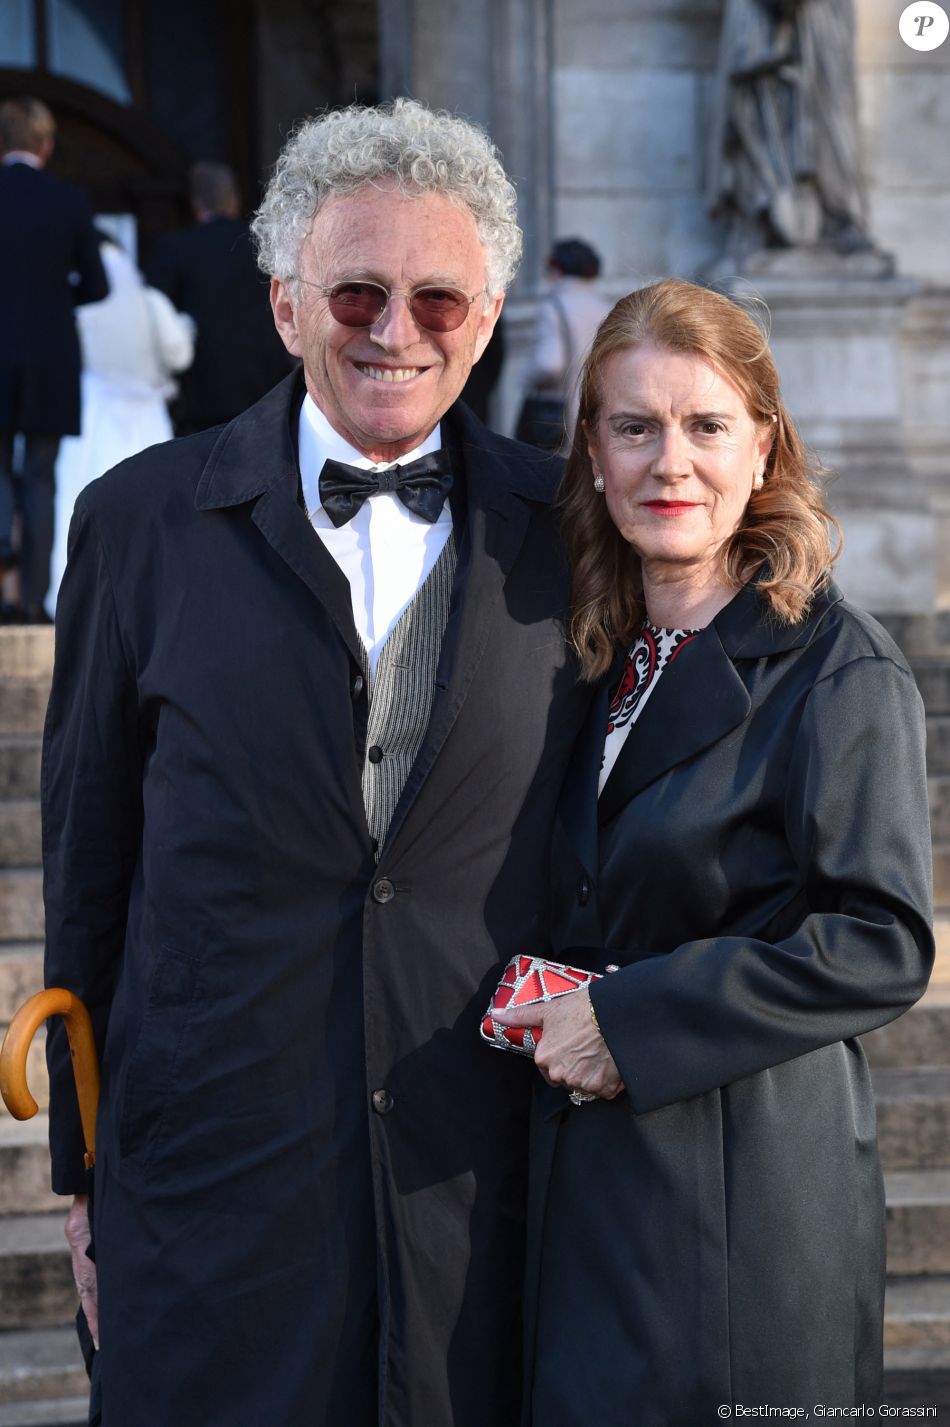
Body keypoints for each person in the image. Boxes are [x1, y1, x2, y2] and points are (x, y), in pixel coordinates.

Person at [43, 99, 590, 1427]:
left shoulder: (570, 532)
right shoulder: (136, 524)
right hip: (209, 1184)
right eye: (354, 291)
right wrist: (83, 1173)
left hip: (487, 1185)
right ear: (286, 307)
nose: (395, 330)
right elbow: (88, 856)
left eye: (435, 297)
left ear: (491, 310)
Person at [494, 279, 934, 1421]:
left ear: (762, 446)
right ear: (591, 450)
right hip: (577, 1187)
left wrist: (632, 1016)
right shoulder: (582, 651)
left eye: (703, 425)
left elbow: (879, 939)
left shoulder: (837, 664)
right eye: (632, 426)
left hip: (741, 1192)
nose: (667, 462)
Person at [0, 96, 108, 622]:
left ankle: (3, 573)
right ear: (45, 145)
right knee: (40, 476)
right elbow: (97, 284)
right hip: (49, 353)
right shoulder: (68, 201)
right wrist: (54, 291)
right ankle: (34, 599)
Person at [47, 232, 194, 613]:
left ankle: (76, 600)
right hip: (145, 414)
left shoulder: (79, 301)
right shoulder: (149, 300)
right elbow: (179, 353)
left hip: (94, 413)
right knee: (149, 510)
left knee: (79, 506)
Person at [706, 0, 869, 255]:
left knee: (828, 116)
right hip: (756, 14)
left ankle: (837, 218)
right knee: (755, 103)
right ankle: (761, 220)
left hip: (821, 18)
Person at [146, 159, 295, 434]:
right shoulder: (269, 248)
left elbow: (155, 315)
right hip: (267, 391)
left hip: (199, 394)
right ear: (234, 199)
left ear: (196, 203)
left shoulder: (176, 248)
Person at [516, 238, 610, 454]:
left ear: (555, 267)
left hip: (561, 416)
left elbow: (548, 364)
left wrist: (524, 378)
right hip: (597, 411)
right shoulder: (607, 308)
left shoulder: (554, 306)